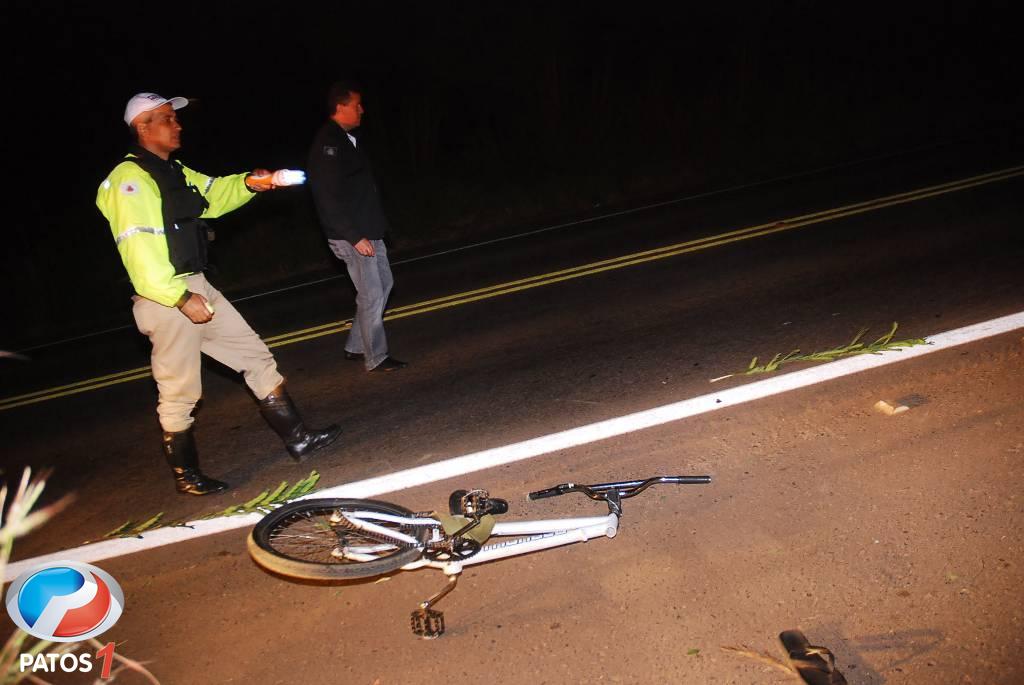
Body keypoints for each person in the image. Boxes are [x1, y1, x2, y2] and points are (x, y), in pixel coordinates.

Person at [96, 92, 342, 496]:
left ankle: (299, 438)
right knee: (180, 392)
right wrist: (178, 297)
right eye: (167, 119)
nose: (178, 125)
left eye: (175, 118)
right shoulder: (130, 180)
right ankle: (186, 477)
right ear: (143, 126)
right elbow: (139, 250)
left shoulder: (170, 171)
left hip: (196, 286)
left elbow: (213, 193)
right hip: (167, 296)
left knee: (254, 356)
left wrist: (251, 182)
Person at [307, 81, 407, 372]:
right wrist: (354, 237)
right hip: (353, 236)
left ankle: (355, 345)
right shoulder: (328, 144)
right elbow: (327, 198)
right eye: (356, 105)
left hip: (369, 231)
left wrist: (378, 229)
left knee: (383, 286)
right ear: (340, 107)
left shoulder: (346, 139)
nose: (362, 110)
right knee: (372, 294)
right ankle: (376, 356)